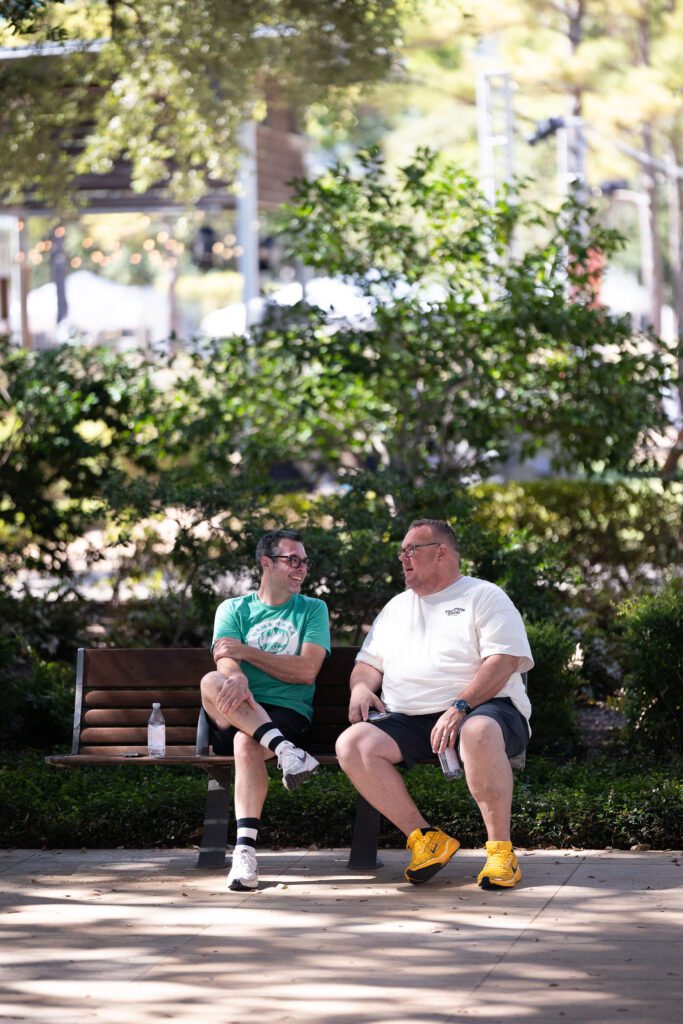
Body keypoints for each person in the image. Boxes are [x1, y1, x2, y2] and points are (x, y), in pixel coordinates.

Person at [336, 518, 533, 889]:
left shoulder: (484, 596)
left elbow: (504, 661)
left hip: (484, 708)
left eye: (411, 550)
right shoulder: (396, 608)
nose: (403, 558)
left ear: (441, 552)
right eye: (401, 552)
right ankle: (426, 840)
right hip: (411, 718)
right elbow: (367, 664)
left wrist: (460, 706)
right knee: (353, 744)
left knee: (478, 730)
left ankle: (501, 853)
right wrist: (360, 688)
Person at [201, 528, 330, 892]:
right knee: (211, 681)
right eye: (293, 560)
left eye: (304, 561)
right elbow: (223, 659)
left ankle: (244, 854)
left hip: (288, 714)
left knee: (247, 745)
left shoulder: (313, 610)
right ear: (266, 563)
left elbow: (306, 672)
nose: (301, 568)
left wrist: (247, 653)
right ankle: (287, 752)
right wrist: (236, 675)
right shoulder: (233, 609)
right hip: (234, 708)